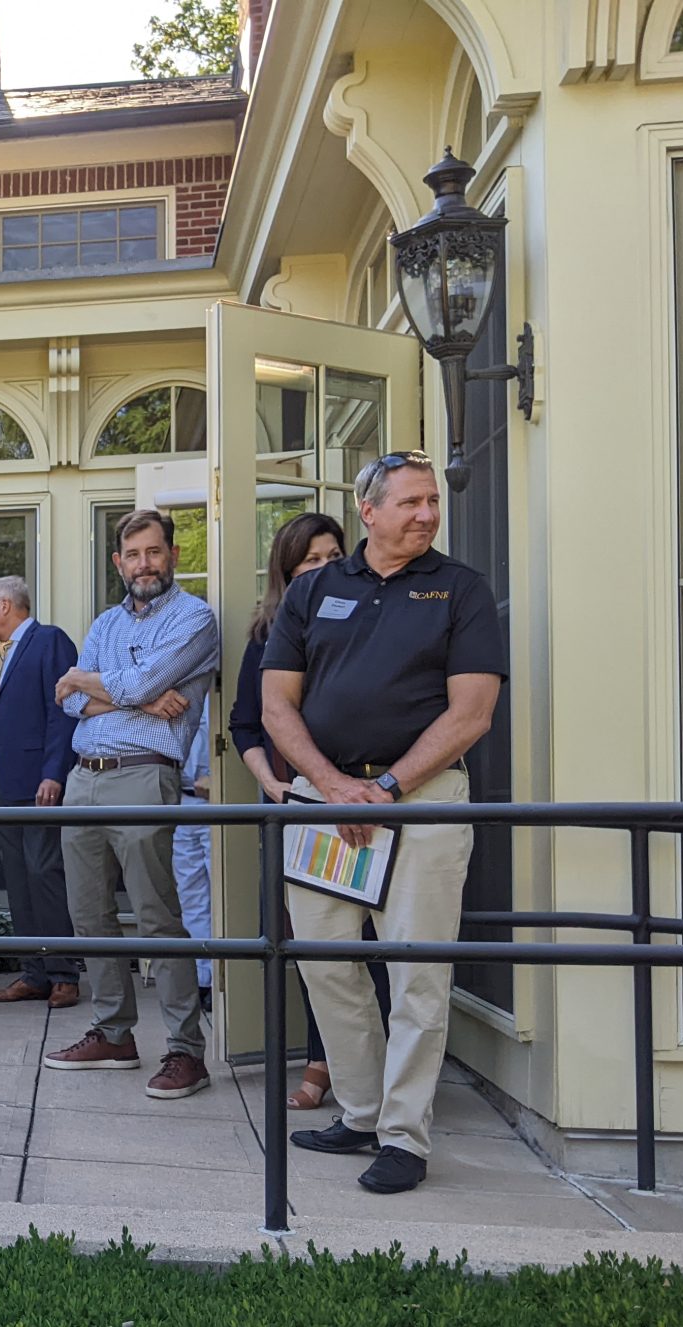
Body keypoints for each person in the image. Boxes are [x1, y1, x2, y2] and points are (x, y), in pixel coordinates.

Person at [262, 451, 505, 1195]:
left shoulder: (461, 589)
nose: (427, 514)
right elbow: (277, 705)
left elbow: (472, 712)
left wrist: (390, 786)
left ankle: (404, 1136)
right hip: (325, 804)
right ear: (368, 511)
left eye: (432, 501)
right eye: (410, 502)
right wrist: (335, 788)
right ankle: (361, 1113)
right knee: (327, 963)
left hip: (423, 804)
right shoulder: (315, 591)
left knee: (417, 974)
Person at [46, 510, 220, 1098]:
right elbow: (67, 701)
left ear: (171, 555)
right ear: (118, 562)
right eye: (133, 555)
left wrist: (100, 684)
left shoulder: (195, 619)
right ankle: (114, 1033)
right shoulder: (104, 623)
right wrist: (136, 699)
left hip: (145, 777)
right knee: (88, 914)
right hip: (83, 780)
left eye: (154, 552)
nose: (143, 564)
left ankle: (185, 1051)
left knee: (155, 916)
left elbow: (116, 686)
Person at [231, 511, 390, 1111]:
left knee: (370, 942)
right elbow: (247, 721)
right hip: (295, 808)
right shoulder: (265, 635)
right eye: (310, 563)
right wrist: (273, 783)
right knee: (310, 944)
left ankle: (366, 1077)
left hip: (368, 801)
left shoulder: (371, 622)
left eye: (333, 556)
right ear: (288, 574)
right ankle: (322, 1062)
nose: (324, 570)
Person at [0, 576, 82, 1008]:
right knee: (17, 878)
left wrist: (54, 772)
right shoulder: (5, 654)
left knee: (44, 873)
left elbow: (63, 712)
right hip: (7, 786)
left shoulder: (48, 640)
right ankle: (34, 972)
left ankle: (64, 973)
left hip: (40, 784)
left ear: (5, 605)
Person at [174, 714, 214, 1015]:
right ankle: (201, 979)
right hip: (181, 800)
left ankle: (218, 980)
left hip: (219, 800)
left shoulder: (221, 690)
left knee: (222, 894)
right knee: (191, 894)